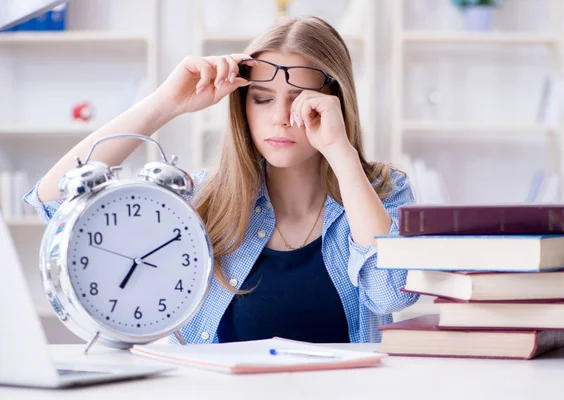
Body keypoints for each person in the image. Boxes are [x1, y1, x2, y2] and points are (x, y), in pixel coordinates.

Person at [24, 16, 419, 344]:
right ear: (243, 106)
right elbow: (56, 203)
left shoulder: (384, 191)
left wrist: (340, 151)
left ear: (335, 103)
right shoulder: (203, 200)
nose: (279, 117)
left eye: (299, 100)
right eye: (262, 99)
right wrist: (167, 103)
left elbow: (389, 293)